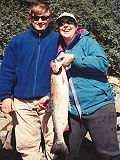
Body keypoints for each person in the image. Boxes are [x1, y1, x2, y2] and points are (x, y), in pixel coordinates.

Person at [56, 12, 120, 160]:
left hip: (99, 106)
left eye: (69, 22)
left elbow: (103, 64)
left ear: (76, 26)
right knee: (66, 154)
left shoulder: (88, 43)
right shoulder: (57, 50)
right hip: (73, 112)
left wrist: (75, 59)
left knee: (108, 154)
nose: (65, 25)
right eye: (61, 23)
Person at [0, 1, 59, 160]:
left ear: (50, 18)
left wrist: (50, 94)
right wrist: (5, 96)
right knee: (27, 147)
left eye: (44, 17)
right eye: (36, 17)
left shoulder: (58, 40)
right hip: (22, 102)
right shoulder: (17, 42)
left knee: (55, 145)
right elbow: (6, 70)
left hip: (50, 100)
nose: (40, 21)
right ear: (30, 19)